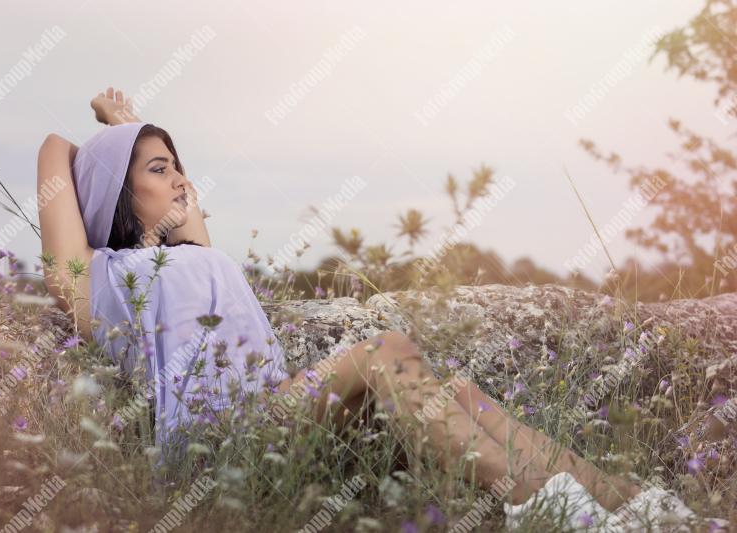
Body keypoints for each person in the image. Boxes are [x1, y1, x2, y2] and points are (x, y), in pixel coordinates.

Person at [36, 87, 727, 532]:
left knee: (456, 391)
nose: (181, 176)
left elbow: (185, 209)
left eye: (177, 162)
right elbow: (55, 153)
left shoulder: (194, 252)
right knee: (382, 349)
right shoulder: (99, 278)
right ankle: (558, 514)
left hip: (281, 415)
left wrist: (135, 134)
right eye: (157, 169)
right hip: (222, 445)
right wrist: (109, 138)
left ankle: (635, 506)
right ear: (114, 196)